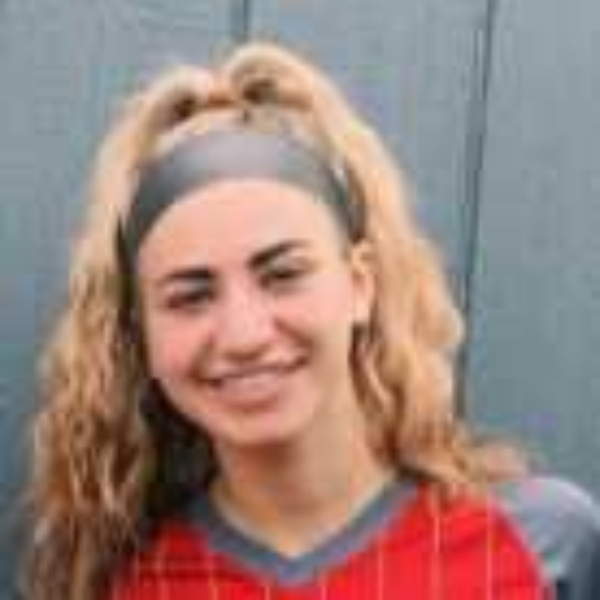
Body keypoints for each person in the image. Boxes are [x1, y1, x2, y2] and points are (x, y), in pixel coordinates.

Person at [23, 42, 600, 600]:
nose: (245, 335)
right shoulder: (119, 583)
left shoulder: (541, 544)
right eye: (190, 297)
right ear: (141, 333)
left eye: (282, 275)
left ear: (360, 284)